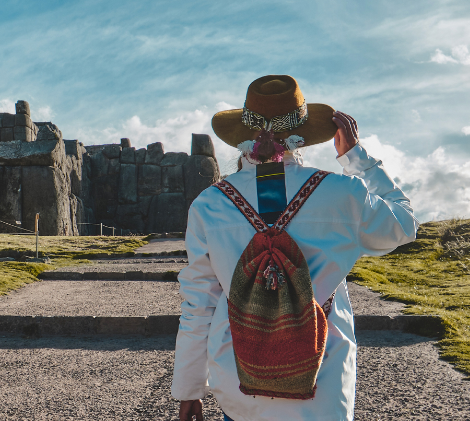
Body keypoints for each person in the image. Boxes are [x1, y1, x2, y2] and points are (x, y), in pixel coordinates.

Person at [172, 75, 419, 421]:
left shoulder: (209, 205)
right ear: (302, 134)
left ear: (244, 136)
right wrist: (356, 157)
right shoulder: (343, 194)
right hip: (323, 384)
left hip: (239, 384)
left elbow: (199, 305)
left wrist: (188, 390)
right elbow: (404, 224)